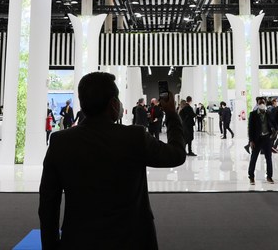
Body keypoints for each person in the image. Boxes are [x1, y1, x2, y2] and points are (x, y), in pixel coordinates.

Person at [38, 71, 186, 250]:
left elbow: (48, 204)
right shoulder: (135, 137)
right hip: (133, 241)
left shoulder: (60, 142)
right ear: (114, 104)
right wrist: (171, 113)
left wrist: (50, 246)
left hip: (79, 240)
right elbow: (177, 154)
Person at [247, 97, 274, 184]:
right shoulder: (253, 114)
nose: (262, 104)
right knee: (254, 158)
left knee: (269, 158)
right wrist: (251, 140)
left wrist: (274, 133)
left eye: (263, 102)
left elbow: (273, 124)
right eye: (260, 102)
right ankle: (251, 177)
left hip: (267, 139)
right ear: (257, 104)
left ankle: (269, 176)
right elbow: (250, 128)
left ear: (265, 103)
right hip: (256, 140)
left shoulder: (269, 113)